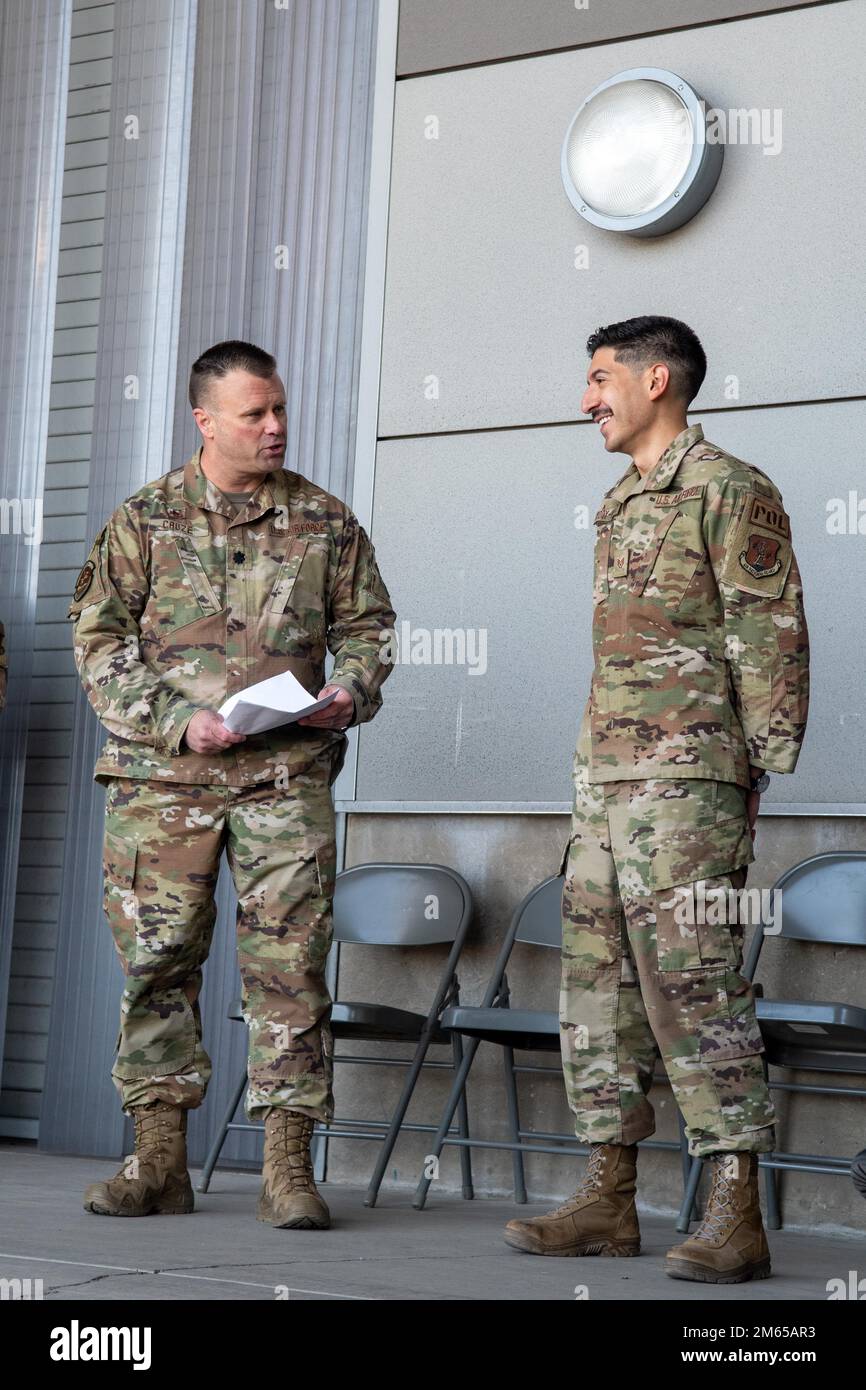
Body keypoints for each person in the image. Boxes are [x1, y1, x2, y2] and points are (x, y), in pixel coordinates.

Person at [503, 316, 809, 1282]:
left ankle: (734, 1213)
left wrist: (756, 768)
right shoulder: (619, 502)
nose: (587, 398)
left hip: (689, 784)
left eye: (600, 378)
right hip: (606, 783)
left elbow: (771, 634)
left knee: (695, 986)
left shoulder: (731, 489)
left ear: (657, 379)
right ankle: (607, 1199)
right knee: (596, 986)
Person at [68, 340, 396, 1230]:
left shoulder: (327, 524)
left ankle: (287, 1169)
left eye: (280, 409)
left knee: (289, 969)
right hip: (161, 784)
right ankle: (156, 1161)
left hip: (284, 780)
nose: (275, 427)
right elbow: (98, 645)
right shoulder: (143, 521)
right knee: (157, 966)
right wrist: (179, 720)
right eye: (254, 413)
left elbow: (370, 628)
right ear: (204, 419)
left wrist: (349, 691)